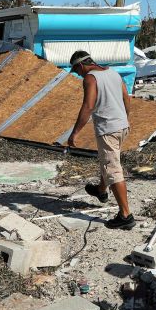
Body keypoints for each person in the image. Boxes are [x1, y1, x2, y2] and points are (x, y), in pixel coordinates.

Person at [66, 50, 135, 229]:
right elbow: (126, 98)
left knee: (113, 169)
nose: (77, 74)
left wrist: (74, 133)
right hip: (122, 126)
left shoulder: (90, 78)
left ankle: (125, 215)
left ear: (81, 65)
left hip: (108, 129)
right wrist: (124, 119)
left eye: (76, 70)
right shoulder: (113, 73)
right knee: (108, 161)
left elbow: (88, 106)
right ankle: (101, 190)